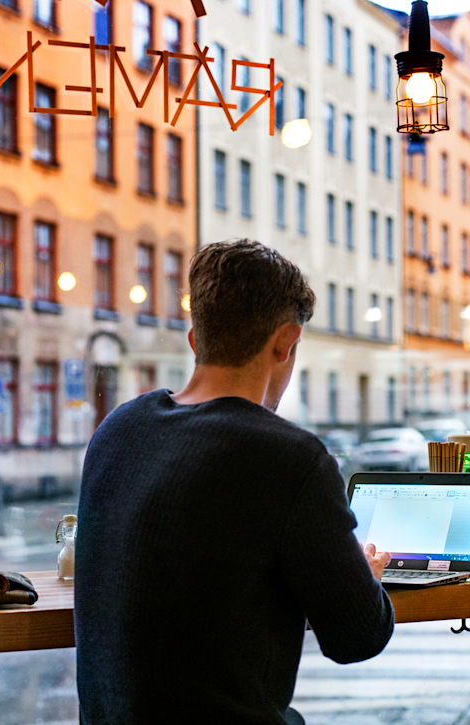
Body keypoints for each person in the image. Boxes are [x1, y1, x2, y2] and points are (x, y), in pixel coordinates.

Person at [75, 240, 396, 725]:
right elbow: (357, 638)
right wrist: (363, 578)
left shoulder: (117, 429)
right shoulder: (290, 457)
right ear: (286, 342)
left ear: (195, 340)